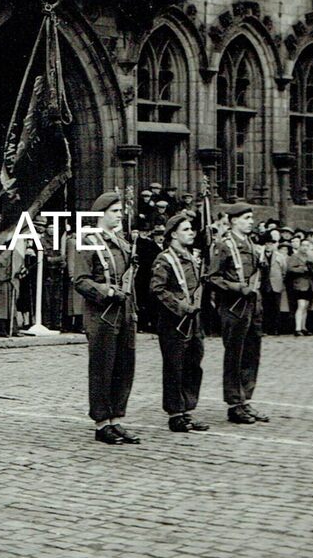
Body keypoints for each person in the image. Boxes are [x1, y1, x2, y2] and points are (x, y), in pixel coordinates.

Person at [72, 191, 141, 445]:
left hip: (124, 313)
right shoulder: (88, 241)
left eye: (120, 211)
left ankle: (116, 418)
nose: (120, 215)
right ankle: (101, 423)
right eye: (115, 211)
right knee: (103, 368)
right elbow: (80, 280)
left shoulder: (122, 242)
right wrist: (107, 291)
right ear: (101, 214)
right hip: (102, 314)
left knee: (124, 367)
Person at [205, 203, 268, 425]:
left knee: (251, 354)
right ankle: (234, 404)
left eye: (251, 218)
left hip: (252, 305)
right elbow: (212, 277)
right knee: (235, 355)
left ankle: (245, 399)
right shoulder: (223, 245)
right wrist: (236, 287)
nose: (251, 222)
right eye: (246, 218)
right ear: (233, 221)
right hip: (234, 306)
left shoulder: (250, 243)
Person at [148, 212, 208, 433]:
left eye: (191, 229)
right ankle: (175, 414)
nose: (191, 233)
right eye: (186, 229)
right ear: (173, 234)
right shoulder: (165, 259)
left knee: (193, 364)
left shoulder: (191, 257)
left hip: (193, 320)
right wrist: (181, 307)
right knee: (175, 366)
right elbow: (157, 289)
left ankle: (187, 409)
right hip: (174, 321)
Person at [286, 240, 313, 336]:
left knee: (306, 306)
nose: (305, 247)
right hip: (299, 283)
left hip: (309, 284)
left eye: (307, 245)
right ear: (300, 246)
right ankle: (297, 328)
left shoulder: (310, 257)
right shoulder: (295, 256)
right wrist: (303, 269)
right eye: (303, 245)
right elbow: (290, 269)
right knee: (301, 305)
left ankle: (303, 327)